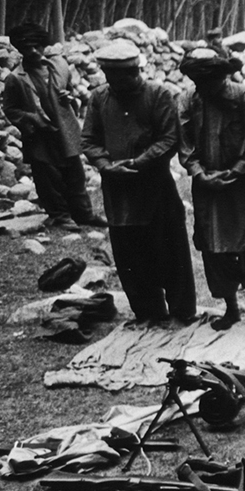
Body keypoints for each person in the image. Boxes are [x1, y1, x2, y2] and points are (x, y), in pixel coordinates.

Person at [81, 39, 196, 326]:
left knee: (169, 251)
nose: (119, 83)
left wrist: (138, 163)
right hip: (118, 193)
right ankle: (147, 312)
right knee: (130, 256)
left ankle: (181, 312)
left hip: (155, 187)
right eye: (112, 77)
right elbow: (89, 140)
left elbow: (169, 138)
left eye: (126, 76)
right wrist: (106, 166)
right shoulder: (99, 98)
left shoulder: (158, 94)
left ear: (136, 71)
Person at [177, 48, 245, 331]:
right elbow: (185, 147)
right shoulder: (188, 100)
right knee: (213, 248)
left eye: (210, 81)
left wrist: (236, 171)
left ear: (223, 76)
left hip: (241, 186)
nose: (204, 88)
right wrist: (200, 174)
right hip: (207, 189)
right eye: (199, 82)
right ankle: (231, 308)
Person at [2, 23, 102, 229]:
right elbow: (10, 110)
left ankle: (84, 214)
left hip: (64, 130)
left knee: (75, 174)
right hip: (39, 136)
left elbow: (71, 93)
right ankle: (60, 215)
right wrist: (31, 119)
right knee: (49, 178)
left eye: (37, 46)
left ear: (43, 45)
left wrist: (69, 97)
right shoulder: (15, 78)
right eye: (27, 48)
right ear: (20, 50)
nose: (33, 51)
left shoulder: (59, 66)